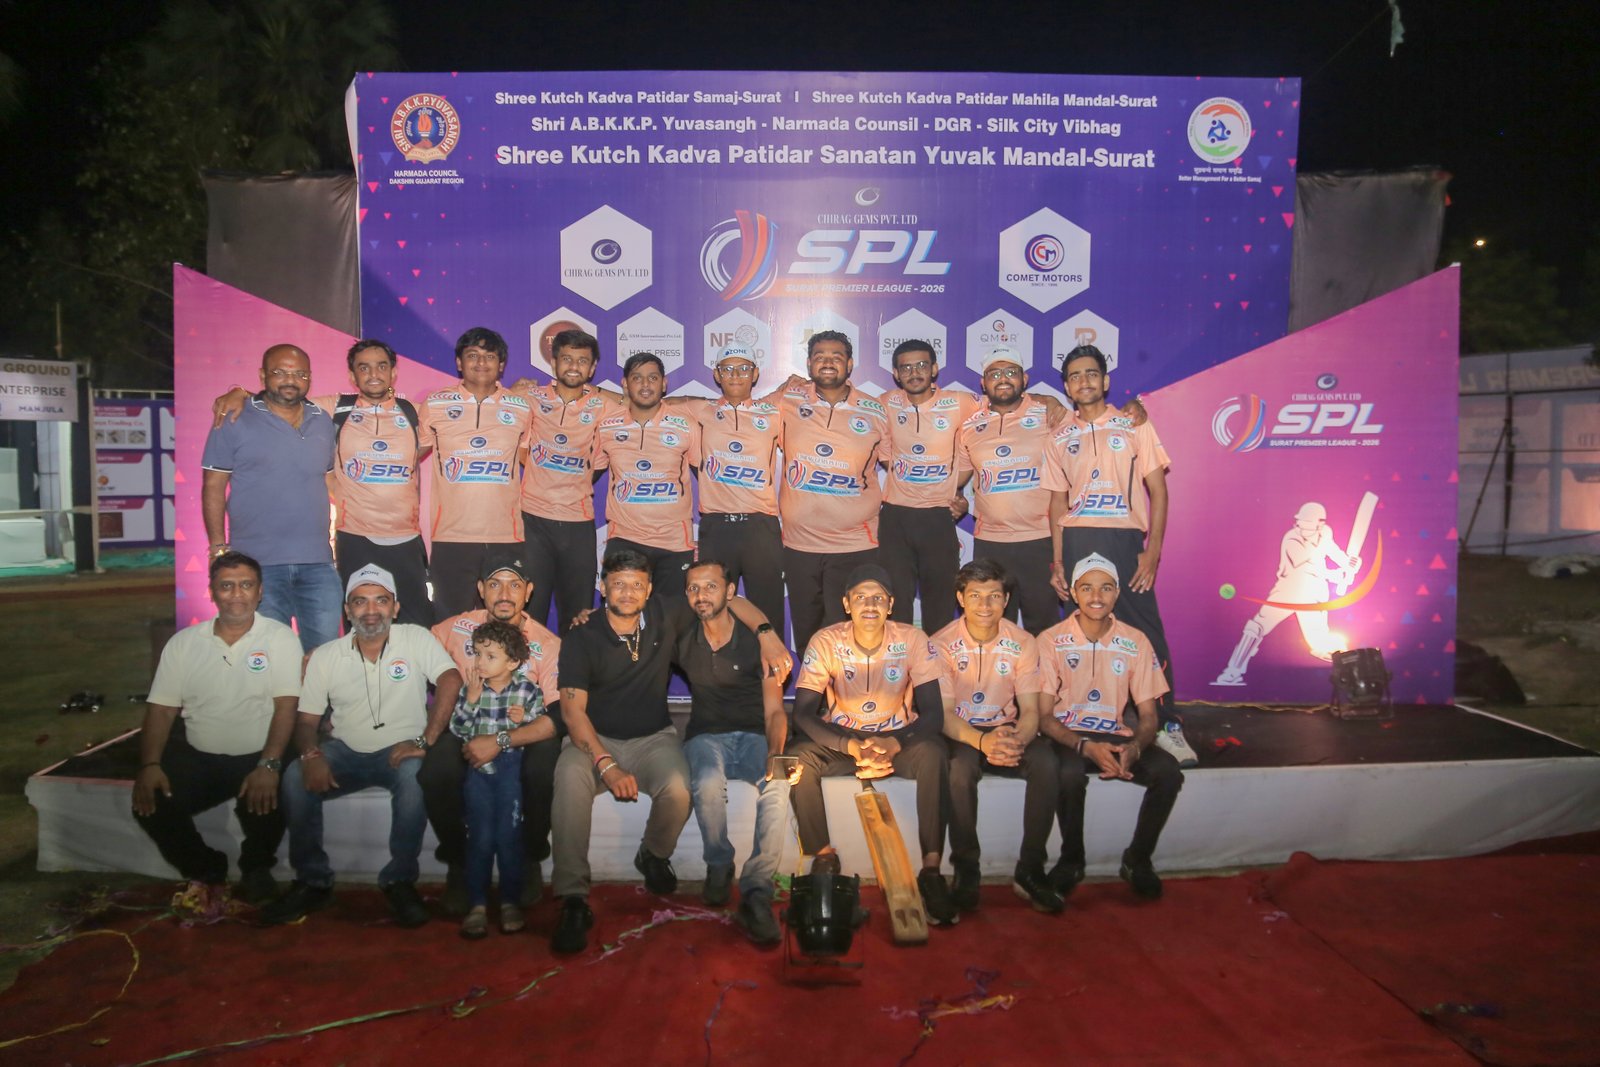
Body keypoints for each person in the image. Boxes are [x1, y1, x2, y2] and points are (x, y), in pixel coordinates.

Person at [548, 550, 788, 954]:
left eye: (636, 584)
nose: (628, 592)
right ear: (603, 587)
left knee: (679, 788)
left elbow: (729, 600)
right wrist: (606, 765)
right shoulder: (582, 635)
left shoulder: (666, 614)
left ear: (650, 591)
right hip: (593, 739)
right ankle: (572, 899)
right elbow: (572, 713)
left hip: (652, 738)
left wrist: (767, 633)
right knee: (569, 781)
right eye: (618, 583)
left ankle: (654, 853)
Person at [263, 564, 463, 927]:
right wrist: (310, 754)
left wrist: (426, 740)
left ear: (395, 608)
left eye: (381, 601)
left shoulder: (415, 638)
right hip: (345, 751)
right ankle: (313, 881)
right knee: (293, 776)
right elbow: (306, 721)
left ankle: (400, 880)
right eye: (360, 601)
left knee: (415, 776)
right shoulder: (326, 655)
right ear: (347, 610)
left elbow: (450, 679)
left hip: (401, 750)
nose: (371, 610)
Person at [1042, 344, 1195, 766]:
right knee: (1081, 632)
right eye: (1075, 376)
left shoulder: (1133, 424)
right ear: (1067, 387)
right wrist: (1058, 561)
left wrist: (1153, 551)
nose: (1084, 381)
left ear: (1105, 381)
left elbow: (1158, 491)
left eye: (1091, 373)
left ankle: (1166, 725)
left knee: (1147, 632)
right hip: (1077, 541)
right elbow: (1057, 504)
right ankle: (1084, 720)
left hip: (1124, 540)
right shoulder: (1059, 436)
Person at [211, 339, 433, 627]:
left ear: (394, 372)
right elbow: (280, 400)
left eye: (381, 366)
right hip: (355, 538)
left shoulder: (416, 413)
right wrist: (239, 392)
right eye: (363, 368)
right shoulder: (334, 408)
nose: (373, 374)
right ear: (352, 376)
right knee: (360, 625)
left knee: (417, 625)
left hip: (406, 538)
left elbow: (433, 442)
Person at [788, 563, 958, 927]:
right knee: (800, 756)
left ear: (891, 604)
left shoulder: (912, 639)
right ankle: (823, 856)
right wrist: (851, 746)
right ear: (846, 604)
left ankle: (931, 870)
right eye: (861, 597)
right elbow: (802, 714)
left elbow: (933, 715)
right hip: (845, 743)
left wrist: (894, 743)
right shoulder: (826, 641)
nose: (870, 605)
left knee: (934, 753)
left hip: (897, 742)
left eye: (878, 598)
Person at [131, 551, 301, 905]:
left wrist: (269, 764)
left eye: (246, 585)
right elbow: (161, 710)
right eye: (226, 586)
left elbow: (286, 706)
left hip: (259, 754)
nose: (237, 594)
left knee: (277, 789)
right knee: (150, 801)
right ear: (211, 592)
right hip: (201, 756)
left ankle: (256, 868)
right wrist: (150, 765)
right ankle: (206, 868)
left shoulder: (281, 638)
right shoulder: (184, 644)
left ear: (260, 592)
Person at [1036, 554, 1184, 900]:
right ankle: (1072, 861)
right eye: (1087, 588)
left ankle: (1138, 859)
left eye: (1105, 588)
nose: (1096, 597)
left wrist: (1136, 747)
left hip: (1114, 735)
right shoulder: (1050, 640)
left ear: (1117, 594)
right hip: (1068, 736)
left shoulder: (1136, 640)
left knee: (1168, 773)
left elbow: (1148, 717)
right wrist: (1084, 746)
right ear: (1074, 593)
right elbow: (1043, 717)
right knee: (1068, 774)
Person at [422, 550, 563, 912]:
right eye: (495, 584)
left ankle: (529, 856)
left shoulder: (546, 643)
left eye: (515, 585)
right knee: (436, 769)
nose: (504, 594)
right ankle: (460, 861)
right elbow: (409, 649)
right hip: (467, 722)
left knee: (545, 764)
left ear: (528, 591)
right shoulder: (455, 629)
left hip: (520, 732)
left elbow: (556, 716)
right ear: (481, 589)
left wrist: (501, 740)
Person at [930, 559, 1063, 914]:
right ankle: (966, 868)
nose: (985, 605)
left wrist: (1016, 740)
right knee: (959, 771)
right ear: (961, 598)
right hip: (962, 732)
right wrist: (982, 742)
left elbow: (1031, 711)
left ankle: (1030, 868)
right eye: (975, 595)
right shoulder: (940, 644)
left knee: (1047, 764)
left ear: (1006, 600)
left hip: (1007, 728)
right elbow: (943, 716)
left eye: (994, 596)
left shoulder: (1023, 642)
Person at [677, 559, 798, 946]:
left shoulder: (757, 643)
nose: (701, 595)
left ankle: (757, 889)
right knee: (707, 781)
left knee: (779, 784)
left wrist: (775, 752)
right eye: (694, 588)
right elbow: (629, 616)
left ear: (730, 592)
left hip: (753, 736)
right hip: (705, 737)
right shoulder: (681, 633)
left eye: (711, 587)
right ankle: (718, 864)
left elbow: (775, 711)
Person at [201, 343, 341, 651]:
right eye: (280, 372)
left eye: (300, 374)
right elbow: (213, 486)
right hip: (257, 565)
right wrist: (217, 548)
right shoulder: (234, 417)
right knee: (268, 659)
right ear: (263, 375)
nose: (291, 380)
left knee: (325, 659)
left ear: (310, 378)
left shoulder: (322, 420)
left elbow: (329, 480)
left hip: (318, 563)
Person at [778, 331, 889, 657]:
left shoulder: (876, 411)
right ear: (808, 363)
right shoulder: (785, 402)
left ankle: (848, 691)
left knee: (850, 638)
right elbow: (735, 411)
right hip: (799, 545)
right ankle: (813, 689)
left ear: (850, 364)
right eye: (820, 356)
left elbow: (902, 463)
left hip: (855, 545)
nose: (828, 362)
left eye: (836, 356)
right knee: (809, 637)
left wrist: (950, 493)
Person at [418, 327, 533, 617]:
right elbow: (410, 456)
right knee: (449, 624)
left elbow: (531, 462)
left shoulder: (521, 407)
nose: (481, 362)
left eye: (489, 356)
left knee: (503, 625)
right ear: (459, 362)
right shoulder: (435, 404)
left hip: (505, 538)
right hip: (451, 537)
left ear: (501, 365)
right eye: (472, 355)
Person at [447, 619, 549, 939]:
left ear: (513, 662)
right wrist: (471, 700)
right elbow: (458, 729)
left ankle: (509, 902)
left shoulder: (527, 690)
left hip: (510, 769)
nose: (480, 662)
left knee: (509, 836)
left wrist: (525, 718)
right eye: (477, 654)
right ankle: (477, 904)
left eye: (490, 656)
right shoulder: (471, 689)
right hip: (478, 771)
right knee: (479, 837)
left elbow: (540, 725)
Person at [679, 345, 788, 639]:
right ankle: (714, 667)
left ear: (755, 374)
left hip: (761, 526)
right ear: (716, 375)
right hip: (717, 526)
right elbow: (648, 400)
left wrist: (795, 382)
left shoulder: (774, 409)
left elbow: (803, 390)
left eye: (743, 368)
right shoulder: (701, 409)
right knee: (712, 610)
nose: (735, 375)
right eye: (727, 369)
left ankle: (772, 668)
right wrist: (593, 391)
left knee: (768, 612)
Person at [514, 329, 620, 630]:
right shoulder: (530, 398)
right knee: (529, 614)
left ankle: (574, 664)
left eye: (582, 361)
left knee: (578, 616)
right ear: (553, 362)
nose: (574, 367)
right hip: (533, 522)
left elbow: (641, 403)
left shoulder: (604, 406)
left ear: (593, 367)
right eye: (567, 359)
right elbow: (513, 437)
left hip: (578, 524)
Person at [955, 347, 1061, 634]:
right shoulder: (970, 426)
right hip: (990, 544)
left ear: (1024, 379)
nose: (1003, 379)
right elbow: (957, 479)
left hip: (1040, 541)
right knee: (994, 629)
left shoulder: (1049, 415)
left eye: (1011, 372)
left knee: (1044, 628)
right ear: (983, 383)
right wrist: (955, 498)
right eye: (994, 374)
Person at [879, 340, 979, 635]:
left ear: (934, 369)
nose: (914, 373)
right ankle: (900, 662)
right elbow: (884, 454)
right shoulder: (885, 403)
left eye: (922, 365)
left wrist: (953, 486)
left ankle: (940, 664)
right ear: (896, 374)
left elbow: (1003, 402)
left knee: (940, 606)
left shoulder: (961, 402)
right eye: (906, 367)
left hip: (939, 516)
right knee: (896, 606)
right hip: (896, 517)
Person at [1213, 501, 1363, 684]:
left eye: (1308, 523)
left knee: (1322, 645)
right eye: (1301, 522)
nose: (1302, 527)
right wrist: (1335, 575)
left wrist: (1348, 563)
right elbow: (1306, 568)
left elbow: (1332, 551)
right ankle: (1233, 672)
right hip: (1288, 591)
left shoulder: (1325, 533)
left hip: (1313, 594)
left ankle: (1349, 681)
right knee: (1256, 627)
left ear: (1320, 524)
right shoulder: (1291, 539)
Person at [593, 352, 699, 594]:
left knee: (671, 617)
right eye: (637, 378)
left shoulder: (686, 425)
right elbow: (588, 474)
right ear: (624, 384)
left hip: (674, 542)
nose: (645, 384)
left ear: (664, 383)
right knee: (621, 615)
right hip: (624, 537)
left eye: (653, 378)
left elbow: (705, 475)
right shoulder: (606, 427)